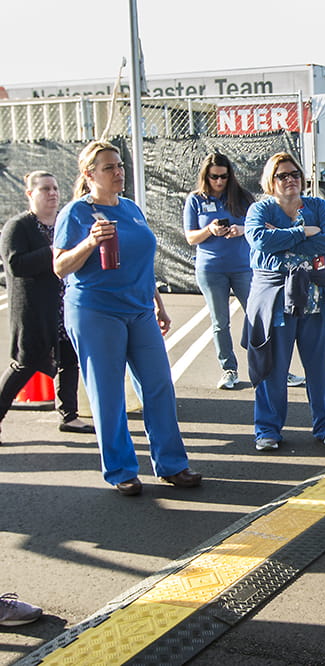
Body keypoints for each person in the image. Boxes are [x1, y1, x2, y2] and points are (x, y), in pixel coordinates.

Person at [53, 140, 202, 496]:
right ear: (89, 175)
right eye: (109, 168)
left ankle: (171, 464)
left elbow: (143, 263)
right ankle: (121, 470)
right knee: (108, 395)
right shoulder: (76, 213)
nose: (119, 172)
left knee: (159, 386)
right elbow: (60, 266)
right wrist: (89, 243)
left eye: (120, 166)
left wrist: (159, 304)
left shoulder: (131, 208)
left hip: (139, 310)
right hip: (95, 310)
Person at [242, 152, 325, 452]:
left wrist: (284, 238)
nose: (290, 180)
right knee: (272, 369)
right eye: (282, 176)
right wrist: (302, 232)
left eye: (294, 174)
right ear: (270, 181)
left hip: (315, 302)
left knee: (321, 368)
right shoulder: (259, 210)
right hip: (275, 304)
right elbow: (260, 241)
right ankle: (267, 430)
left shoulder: (318, 206)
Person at [0, 172, 93, 443]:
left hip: (65, 307)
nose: (52, 193)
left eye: (54, 188)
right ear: (30, 194)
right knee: (25, 364)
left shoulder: (63, 221)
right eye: (44, 189)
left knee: (68, 361)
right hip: (33, 311)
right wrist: (55, 251)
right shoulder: (18, 226)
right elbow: (17, 264)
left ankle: (69, 416)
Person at [183, 153, 255, 390]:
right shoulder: (195, 200)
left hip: (242, 266)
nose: (219, 182)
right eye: (215, 177)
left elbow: (257, 225)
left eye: (224, 176)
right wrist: (210, 230)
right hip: (211, 269)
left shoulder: (242, 197)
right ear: (206, 176)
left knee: (258, 316)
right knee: (220, 322)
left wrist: (241, 229)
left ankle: (271, 365)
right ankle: (228, 369)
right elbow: (191, 237)